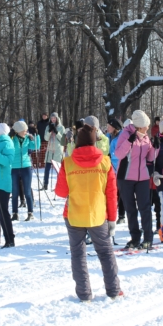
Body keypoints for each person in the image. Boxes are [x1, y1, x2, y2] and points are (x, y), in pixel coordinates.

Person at [55, 124, 122, 302]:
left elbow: (60, 192)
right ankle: (113, 291)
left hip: (74, 214)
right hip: (98, 215)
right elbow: (112, 194)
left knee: (78, 254)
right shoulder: (105, 162)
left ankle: (84, 295)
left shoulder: (67, 162)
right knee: (106, 253)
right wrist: (113, 219)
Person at [115, 110, 157, 250]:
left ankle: (148, 238)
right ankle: (135, 238)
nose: (148, 128)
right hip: (126, 177)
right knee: (130, 209)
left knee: (145, 208)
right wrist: (129, 142)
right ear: (140, 125)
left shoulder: (145, 137)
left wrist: (155, 147)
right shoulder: (126, 134)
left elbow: (150, 158)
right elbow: (119, 154)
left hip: (142, 178)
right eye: (146, 126)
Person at [10, 121, 38, 221]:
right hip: (14, 167)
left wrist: (36, 136)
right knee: (15, 191)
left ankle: (30, 213)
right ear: (18, 131)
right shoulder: (13, 139)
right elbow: (9, 147)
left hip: (26, 166)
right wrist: (10, 137)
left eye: (26, 130)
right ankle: (15, 213)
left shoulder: (27, 138)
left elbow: (36, 146)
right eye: (23, 130)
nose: (25, 132)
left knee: (27, 191)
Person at [106, 118, 126, 224]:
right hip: (110, 168)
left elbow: (120, 153)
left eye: (109, 126)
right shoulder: (108, 137)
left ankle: (122, 215)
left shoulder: (121, 137)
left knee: (120, 192)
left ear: (115, 128)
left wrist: (111, 155)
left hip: (119, 168)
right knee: (112, 192)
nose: (107, 128)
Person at [43, 112, 64, 190]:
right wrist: (49, 131)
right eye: (51, 118)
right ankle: (45, 184)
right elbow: (45, 138)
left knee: (58, 169)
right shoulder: (48, 127)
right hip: (50, 149)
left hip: (58, 150)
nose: (53, 120)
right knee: (47, 168)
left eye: (54, 118)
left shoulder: (61, 127)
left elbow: (62, 139)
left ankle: (59, 185)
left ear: (57, 118)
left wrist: (56, 132)